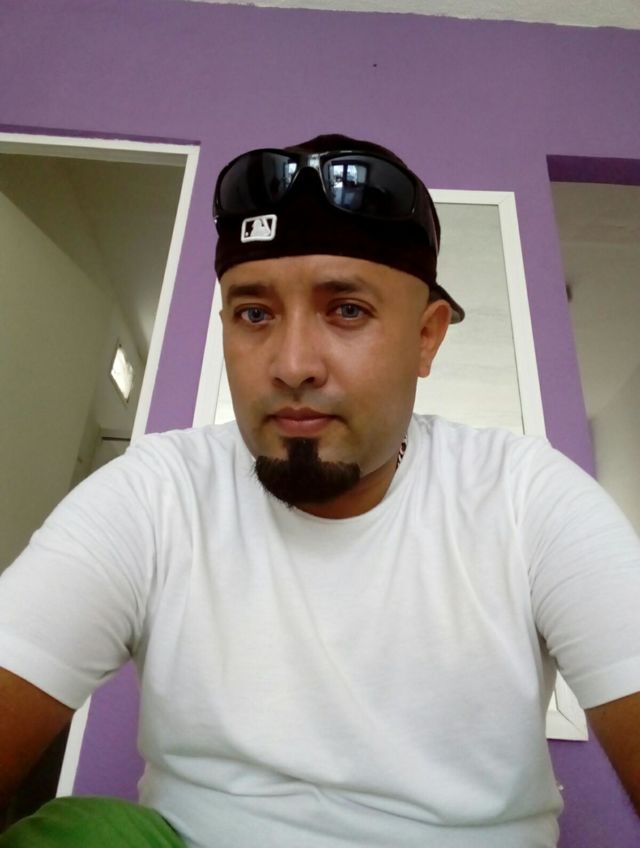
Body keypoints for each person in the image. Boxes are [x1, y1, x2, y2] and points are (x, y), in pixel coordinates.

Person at [0, 134, 639, 848]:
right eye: (254, 314)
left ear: (426, 338)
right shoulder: (156, 494)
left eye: (347, 311)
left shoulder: (527, 498)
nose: (293, 364)